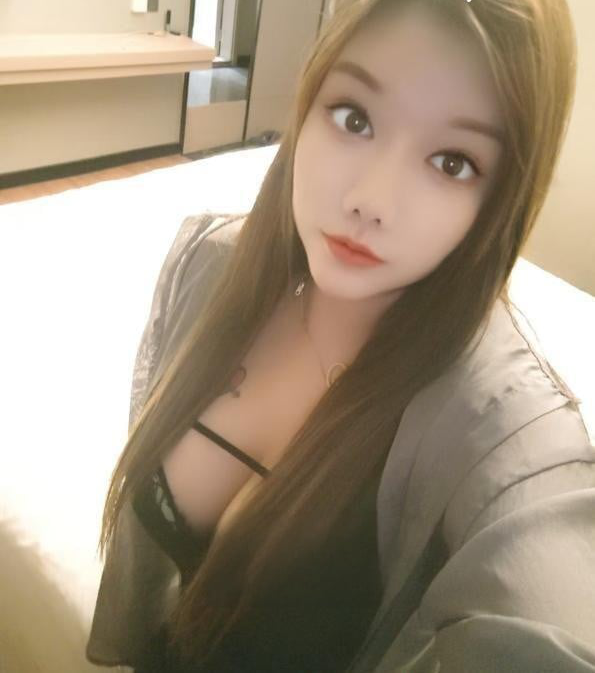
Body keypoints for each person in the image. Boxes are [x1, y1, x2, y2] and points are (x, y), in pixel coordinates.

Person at [86, 0, 595, 671]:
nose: (370, 201)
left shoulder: (505, 433)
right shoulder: (208, 266)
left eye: (451, 161)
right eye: (354, 118)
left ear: (501, 198)